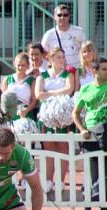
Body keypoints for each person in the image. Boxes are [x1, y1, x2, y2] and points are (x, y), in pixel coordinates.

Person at [35, 47, 75, 194]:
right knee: (49, 148)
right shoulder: (42, 76)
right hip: (47, 116)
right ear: (50, 60)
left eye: (63, 57)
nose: (62, 60)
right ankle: (48, 181)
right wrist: (55, 94)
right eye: (58, 57)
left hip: (63, 116)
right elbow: (38, 94)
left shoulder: (67, 75)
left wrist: (49, 93)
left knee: (63, 147)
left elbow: (69, 90)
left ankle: (60, 181)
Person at [72, 57, 107, 210]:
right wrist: (82, 129)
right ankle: (92, 199)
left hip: (105, 131)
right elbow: (76, 113)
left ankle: (101, 204)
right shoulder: (85, 89)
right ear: (94, 71)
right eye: (104, 69)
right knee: (94, 171)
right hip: (91, 133)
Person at [41, 4, 86, 69]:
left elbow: (85, 51)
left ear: (69, 16)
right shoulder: (48, 35)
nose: (62, 17)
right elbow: (43, 53)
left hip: (76, 71)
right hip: (58, 74)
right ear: (54, 17)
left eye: (65, 15)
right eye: (59, 15)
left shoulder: (79, 32)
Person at [1, 53, 38, 120]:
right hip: (10, 116)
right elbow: (3, 100)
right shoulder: (7, 79)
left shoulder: (32, 80)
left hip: (26, 115)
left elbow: (35, 101)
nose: (20, 68)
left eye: (23, 65)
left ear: (28, 66)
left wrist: (26, 111)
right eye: (18, 65)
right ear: (14, 64)